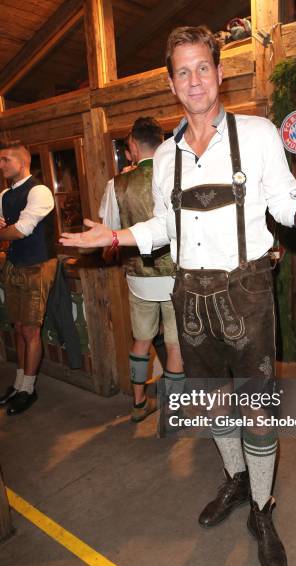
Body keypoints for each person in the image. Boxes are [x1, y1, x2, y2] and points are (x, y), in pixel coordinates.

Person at [60, 26, 296, 566]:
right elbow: (163, 225)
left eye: (202, 67)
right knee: (210, 403)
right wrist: (114, 237)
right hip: (189, 294)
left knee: (256, 410)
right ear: (171, 83)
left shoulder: (255, 135)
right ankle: (234, 480)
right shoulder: (165, 154)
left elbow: (283, 207)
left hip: (247, 291)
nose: (194, 79)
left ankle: (262, 507)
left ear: (219, 72)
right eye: (182, 71)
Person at [99, 117, 184, 422]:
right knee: (175, 345)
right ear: (162, 142)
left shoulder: (117, 184)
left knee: (142, 340)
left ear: (133, 145)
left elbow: (109, 231)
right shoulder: (178, 176)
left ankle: (138, 404)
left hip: (139, 277)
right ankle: (176, 411)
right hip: (176, 276)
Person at [0, 141, 57, 415]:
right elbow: (7, 229)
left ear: (21, 162)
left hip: (37, 264)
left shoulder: (40, 190)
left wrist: (6, 231)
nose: (1, 165)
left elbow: (20, 231)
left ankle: (29, 388)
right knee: (19, 327)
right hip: (14, 264)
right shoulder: (3, 194)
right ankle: (20, 382)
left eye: (5, 160)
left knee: (31, 330)